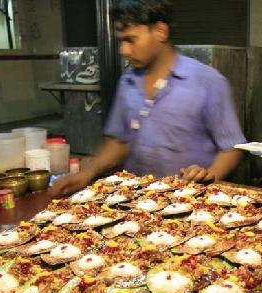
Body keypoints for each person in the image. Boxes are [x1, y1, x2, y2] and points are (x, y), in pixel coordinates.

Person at [49, 0, 246, 197]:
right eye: (121, 41)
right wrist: (88, 172)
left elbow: (232, 148)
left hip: (189, 203)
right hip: (137, 203)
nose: (123, 50)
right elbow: (119, 143)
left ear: (160, 31)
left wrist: (207, 177)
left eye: (131, 40)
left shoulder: (207, 82)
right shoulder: (128, 82)